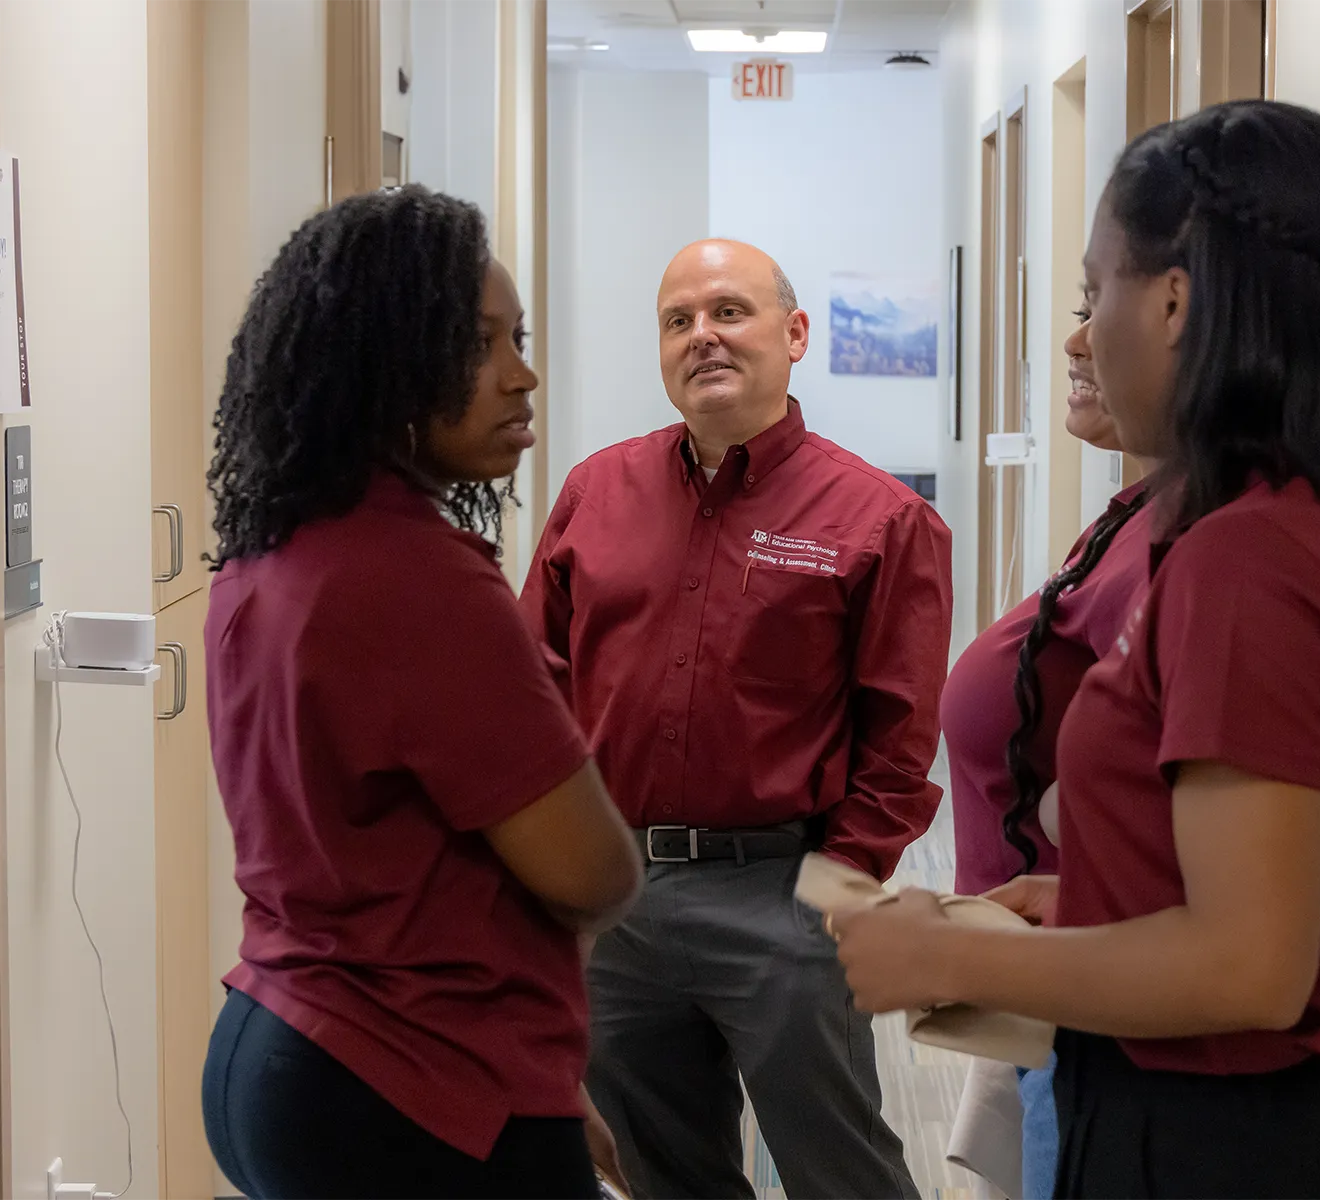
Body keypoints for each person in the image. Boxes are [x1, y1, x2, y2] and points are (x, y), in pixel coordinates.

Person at [830, 99, 1320, 1199]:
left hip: (1222, 1147)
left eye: (1098, 294)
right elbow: (1294, 894)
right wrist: (1081, 904)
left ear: (1178, 302)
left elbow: (1248, 966)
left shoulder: (1251, 562)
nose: (1083, 336)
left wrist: (953, 957)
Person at [200, 186, 644, 1200]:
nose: (522, 376)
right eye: (476, 346)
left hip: (277, 1044)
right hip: (406, 1083)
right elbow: (591, 873)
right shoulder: (417, 578)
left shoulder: (272, 551)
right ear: (380, 360)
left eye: (518, 338)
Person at [523, 238, 953, 1200]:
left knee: (841, 1171)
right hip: (617, 896)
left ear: (795, 335)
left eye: (729, 312)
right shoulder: (596, 492)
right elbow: (535, 689)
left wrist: (831, 905)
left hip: (781, 895)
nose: (702, 337)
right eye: (679, 321)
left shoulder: (879, 519)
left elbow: (900, 741)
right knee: (659, 1171)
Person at [941, 312, 1151, 1200]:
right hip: (1056, 1003)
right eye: (1077, 305)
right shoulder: (1135, 521)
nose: (1075, 339)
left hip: (1112, 1025)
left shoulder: (1207, 557)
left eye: (1111, 303)